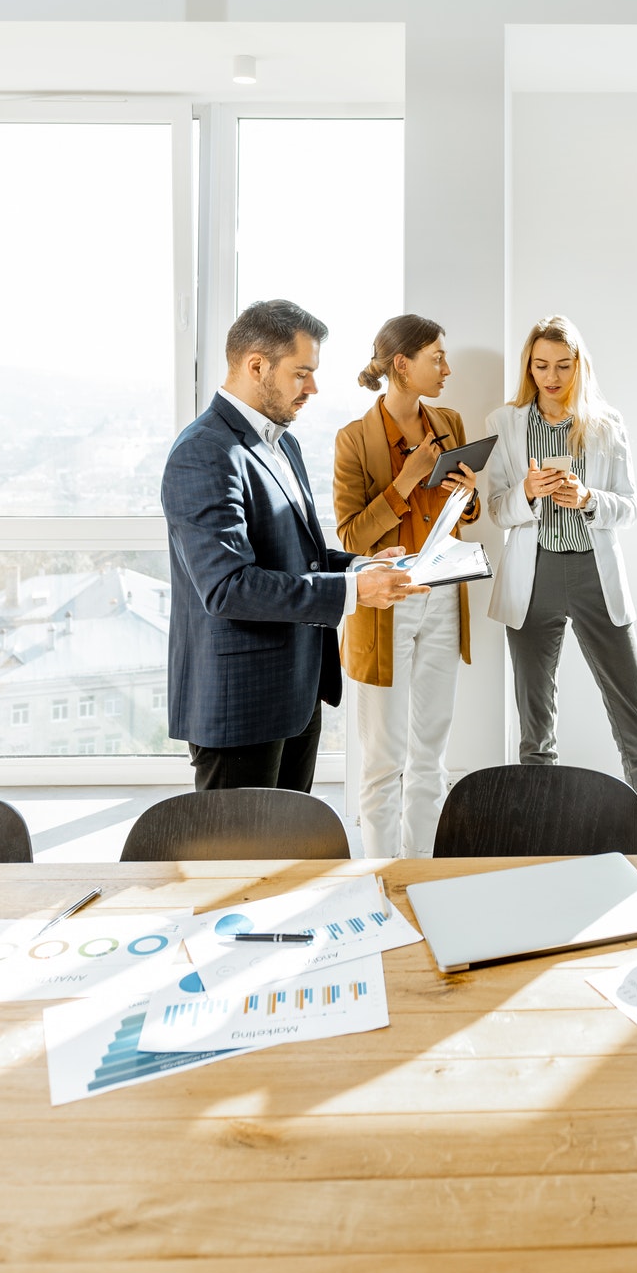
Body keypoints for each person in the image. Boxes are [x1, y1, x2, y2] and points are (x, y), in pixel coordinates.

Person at [162, 298, 421, 793]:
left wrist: (363, 565)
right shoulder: (204, 451)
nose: (314, 387)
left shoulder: (283, 442)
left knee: (289, 856)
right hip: (240, 704)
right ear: (256, 365)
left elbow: (301, 554)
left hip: (296, 692)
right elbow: (228, 587)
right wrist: (352, 593)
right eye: (302, 373)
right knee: (237, 863)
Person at [486, 315, 637, 855]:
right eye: (541, 365)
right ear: (529, 366)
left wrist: (588, 498)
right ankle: (542, 847)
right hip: (535, 573)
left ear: (579, 367)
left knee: (634, 722)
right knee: (535, 728)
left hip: (594, 573)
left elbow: (631, 507)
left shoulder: (606, 424)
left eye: (562, 366)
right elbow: (498, 511)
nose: (551, 376)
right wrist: (526, 490)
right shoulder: (504, 423)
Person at [333, 315, 481, 858]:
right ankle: (379, 881)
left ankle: (420, 875)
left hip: (442, 594)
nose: (447, 368)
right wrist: (406, 480)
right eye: (436, 357)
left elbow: (468, 512)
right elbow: (351, 535)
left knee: (430, 755)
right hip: (384, 603)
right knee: (381, 760)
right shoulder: (353, 440)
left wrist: (468, 493)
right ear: (402, 364)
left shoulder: (450, 421)